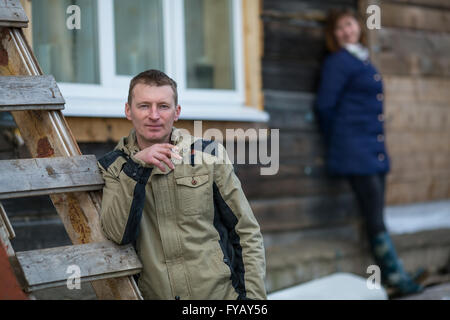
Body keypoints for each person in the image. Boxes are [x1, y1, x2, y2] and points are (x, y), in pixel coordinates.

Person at [97, 69, 267, 300]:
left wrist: (254, 301)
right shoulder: (114, 166)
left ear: (176, 112)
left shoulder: (208, 155)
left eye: (163, 106)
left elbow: (245, 230)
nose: (154, 115)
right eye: (144, 106)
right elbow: (118, 234)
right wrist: (137, 168)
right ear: (128, 110)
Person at [315, 9, 423, 296]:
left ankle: (392, 273)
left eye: (349, 24)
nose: (345, 31)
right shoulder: (338, 62)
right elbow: (325, 106)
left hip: (373, 149)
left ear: (358, 27)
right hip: (354, 151)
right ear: (333, 34)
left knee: (376, 214)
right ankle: (396, 277)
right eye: (338, 28)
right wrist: (340, 138)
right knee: (374, 216)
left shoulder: (363, 59)